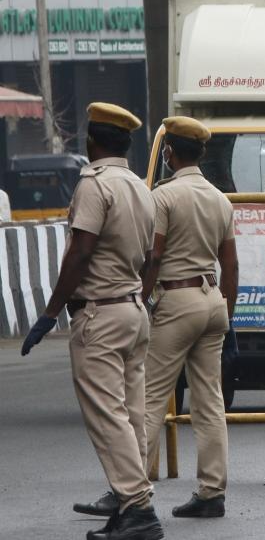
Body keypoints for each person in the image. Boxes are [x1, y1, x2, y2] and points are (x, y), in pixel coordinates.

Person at [20, 102, 162, 540]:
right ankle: (130, 502)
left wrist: (49, 312)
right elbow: (152, 256)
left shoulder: (94, 185)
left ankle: (137, 508)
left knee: (108, 415)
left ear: (92, 140)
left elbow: (80, 252)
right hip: (133, 309)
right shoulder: (140, 187)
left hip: (99, 313)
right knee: (131, 413)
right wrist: (138, 295)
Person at [134, 116, 238, 520]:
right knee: (209, 403)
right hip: (212, 298)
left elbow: (154, 255)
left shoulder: (163, 197)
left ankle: (131, 489)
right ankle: (212, 492)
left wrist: (140, 299)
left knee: (150, 399)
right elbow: (230, 267)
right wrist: (226, 314)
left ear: (170, 154)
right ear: (204, 153)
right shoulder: (219, 198)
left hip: (176, 301)